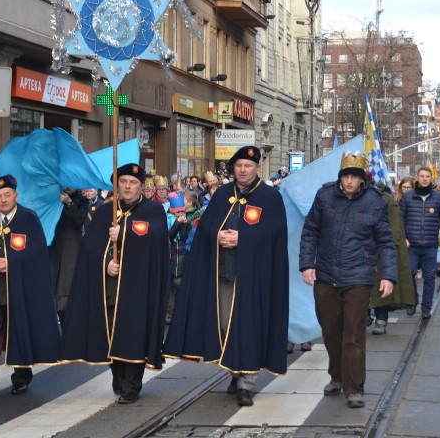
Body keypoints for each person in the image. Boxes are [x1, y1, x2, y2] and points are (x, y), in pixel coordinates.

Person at [163, 146, 288, 408]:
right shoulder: (222, 194)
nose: (243, 170)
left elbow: (275, 235)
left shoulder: (269, 197)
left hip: (253, 277)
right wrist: (217, 236)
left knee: (249, 326)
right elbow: (206, 228)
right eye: (239, 165)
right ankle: (235, 370)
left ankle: (246, 383)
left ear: (257, 169)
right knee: (224, 325)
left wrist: (245, 238)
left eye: (248, 166)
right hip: (223, 272)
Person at [60, 164, 170, 405]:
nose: (127, 187)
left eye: (132, 182)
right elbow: (90, 249)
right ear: (116, 186)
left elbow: (156, 236)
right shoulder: (104, 212)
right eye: (123, 182)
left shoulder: (153, 211)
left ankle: (132, 384)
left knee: (133, 332)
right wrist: (106, 264)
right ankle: (118, 374)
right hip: (109, 287)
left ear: (141, 186)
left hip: (138, 288)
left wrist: (126, 232)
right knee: (111, 331)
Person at [300, 153, 396, 408]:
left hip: (358, 276)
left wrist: (388, 275)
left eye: (355, 176)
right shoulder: (325, 196)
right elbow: (310, 231)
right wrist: (307, 264)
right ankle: (337, 376)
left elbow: (386, 241)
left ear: (362, 178)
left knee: (353, 334)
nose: (350, 181)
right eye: (346, 176)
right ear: (340, 177)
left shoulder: (375, 201)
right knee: (331, 331)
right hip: (326, 275)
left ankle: (354, 388)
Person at [0, 174, 61, 401]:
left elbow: (37, 253)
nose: (3, 200)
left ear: (16, 196)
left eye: (7, 195)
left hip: (20, 291)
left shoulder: (28, 218)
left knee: (20, 333)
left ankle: (22, 378)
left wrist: (12, 263)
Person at [399, 167, 440, 319]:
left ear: (431, 179)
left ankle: (426, 307)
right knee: (409, 274)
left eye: (427, 176)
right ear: (417, 178)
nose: (424, 179)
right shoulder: (408, 197)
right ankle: (412, 301)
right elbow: (400, 220)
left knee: (429, 277)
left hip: (430, 245)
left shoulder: (438, 197)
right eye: (422, 176)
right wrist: (403, 237)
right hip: (412, 245)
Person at [370, 180, 415, 335]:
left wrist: (393, 245)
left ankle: (381, 319)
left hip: (382, 246)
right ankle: (363, 315)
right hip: (361, 247)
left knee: (382, 284)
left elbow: (395, 226)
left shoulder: (386, 199)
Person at [49, 187, 89, 324]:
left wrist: (69, 203)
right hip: (54, 247)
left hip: (72, 251)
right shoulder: (54, 196)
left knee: (67, 291)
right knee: (51, 287)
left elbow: (80, 219)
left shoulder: (82, 199)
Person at [166, 191, 200, 323]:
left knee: (180, 285)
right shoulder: (168, 220)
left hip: (182, 260)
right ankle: (170, 312)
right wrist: (178, 223)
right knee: (170, 289)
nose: (180, 214)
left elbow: (186, 238)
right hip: (171, 257)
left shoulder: (187, 221)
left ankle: (180, 311)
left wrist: (184, 224)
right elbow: (170, 235)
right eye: (177, 212)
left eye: (182, 212)